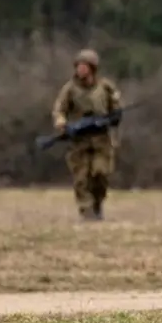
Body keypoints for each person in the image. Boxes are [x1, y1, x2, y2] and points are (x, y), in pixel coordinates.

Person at [52, 49, 122, 220]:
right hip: (79, 141)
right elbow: (59, 109)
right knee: (81, 178)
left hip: (101, 141)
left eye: (84, 66)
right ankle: (86, 210)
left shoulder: (105, 87)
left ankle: (97, 203)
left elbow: (116, 110)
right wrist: (61, 122)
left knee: (100, 173)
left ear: (92, 68)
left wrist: (113, 116)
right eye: (78, 66)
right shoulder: (70, 89)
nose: (81, 70)